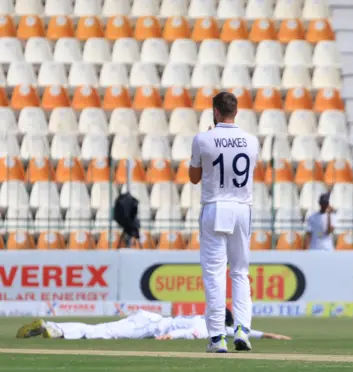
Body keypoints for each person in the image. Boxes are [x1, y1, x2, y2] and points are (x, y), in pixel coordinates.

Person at [189, 92, 260, 353]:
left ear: (215, 111)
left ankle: (218, 336)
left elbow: (194, 177)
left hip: (215, 206)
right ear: (236, 112)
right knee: (240, 272)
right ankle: (242, 329)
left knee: (214, 274)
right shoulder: (252, 141)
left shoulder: (203, 139)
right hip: (242, 207)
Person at [16, 310, 291, 341]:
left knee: (102, 328)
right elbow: (191, 334)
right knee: (103, 332)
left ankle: (52, 326)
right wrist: (171, 338)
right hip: (148, 326)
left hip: (150, 319)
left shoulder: (208, 320)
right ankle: (54, 328)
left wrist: (269, 334)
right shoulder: (209, 328)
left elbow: (240, 331)